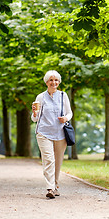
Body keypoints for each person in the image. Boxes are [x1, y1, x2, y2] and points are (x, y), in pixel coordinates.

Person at [31, 70, 73, 199]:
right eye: (51, 80)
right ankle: (50, 188)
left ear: (59, 82)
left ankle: (55, 184)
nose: (53, 82)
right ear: (46, 82)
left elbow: (69, 113)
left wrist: (65, 118)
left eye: (56, 80)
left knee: (58, 161)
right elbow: (34, 119)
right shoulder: (40, 97)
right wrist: (33, 113)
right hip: (44, 132)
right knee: (49, 159)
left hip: (60, 133)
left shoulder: (63, 95)